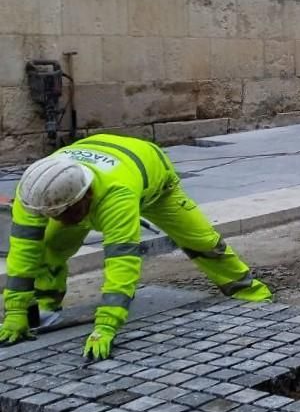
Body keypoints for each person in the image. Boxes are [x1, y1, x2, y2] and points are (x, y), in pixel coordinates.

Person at [0, 134, 272, 359]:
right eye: (52, 215)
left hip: (156, 186)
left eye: (63, 215)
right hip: (95, 165)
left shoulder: (117, 197)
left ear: (85, 198)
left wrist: (106, 325)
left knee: (202, 242)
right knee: (49, 245)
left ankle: (253, 296)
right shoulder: (35, 192)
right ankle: (46, 309)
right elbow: (23, 252)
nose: (58, 221)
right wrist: (15, 311)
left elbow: (121, 262)